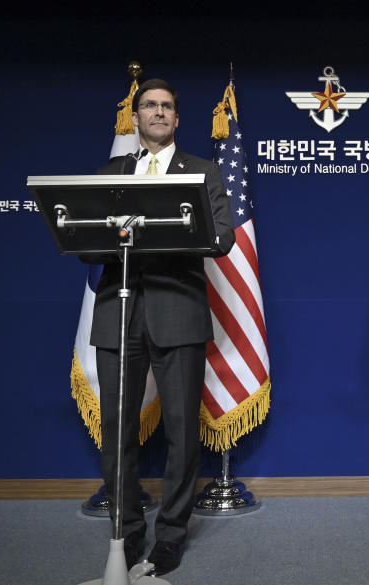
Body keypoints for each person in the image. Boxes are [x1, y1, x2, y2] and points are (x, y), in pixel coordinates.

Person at [83, 78, 235, 576]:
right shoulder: (110, 171)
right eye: (149, 105)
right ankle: (126, 534)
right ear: (136, 116)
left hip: (180, 311)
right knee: (117, 431)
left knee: (181, 432)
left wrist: (160, 233)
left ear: (176, 118)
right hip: (118, 313)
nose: (159, 113)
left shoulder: (204, 171)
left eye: (167, 106)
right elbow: (86, 243)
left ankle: (170, 536)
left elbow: (223, 237)